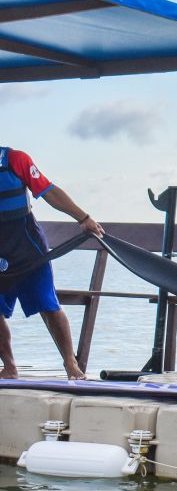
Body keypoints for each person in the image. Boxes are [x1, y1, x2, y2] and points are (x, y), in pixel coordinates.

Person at [0, 146, 103, 380]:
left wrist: (83, 218)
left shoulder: (15, 159)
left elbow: (49, 191)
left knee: (47, 304)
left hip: (27, 247)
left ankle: (71, 365)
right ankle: (9, 367)